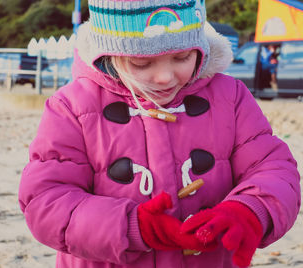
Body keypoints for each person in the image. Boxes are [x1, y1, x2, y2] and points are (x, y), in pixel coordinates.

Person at [19, 0, 301, 267]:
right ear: (108, 55)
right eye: (142, 63)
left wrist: (250, 211)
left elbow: (273, 168)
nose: (165, 77)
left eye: (182, 57)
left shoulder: (230, 96)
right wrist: (130, 226)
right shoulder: (73, 106)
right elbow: (46, 199)